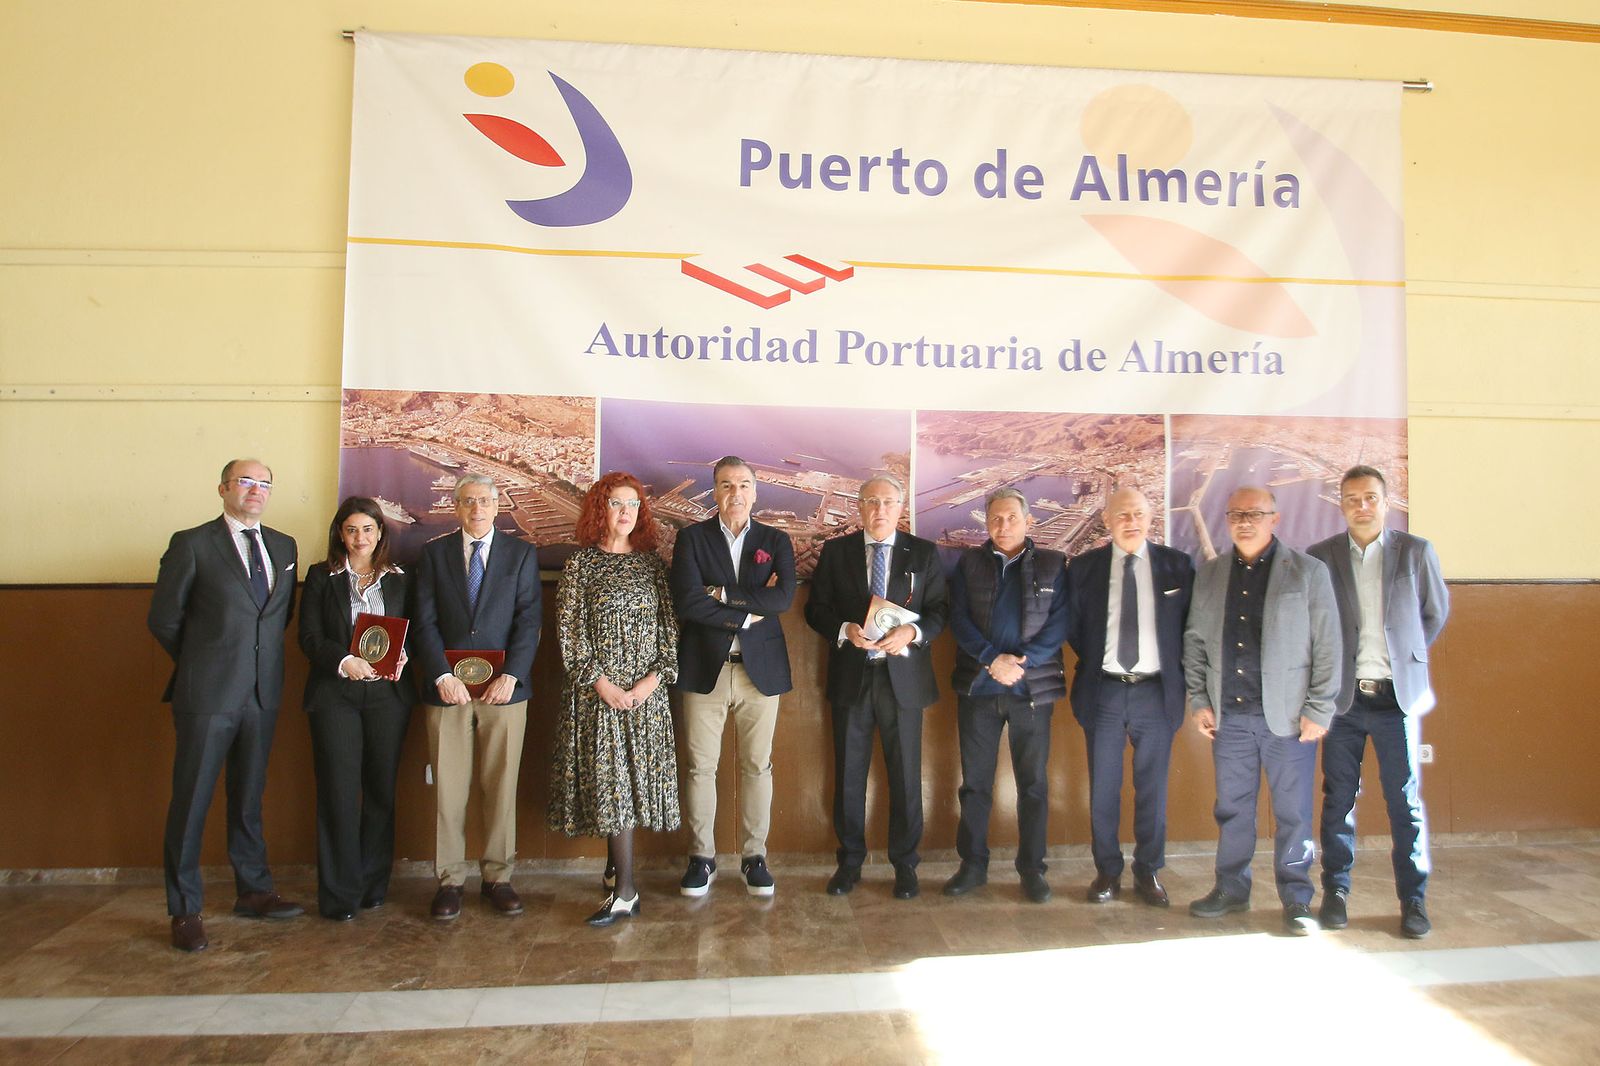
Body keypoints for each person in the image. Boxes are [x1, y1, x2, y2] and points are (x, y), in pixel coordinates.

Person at [148, 458, 303, 952]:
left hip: (262, 693)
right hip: (207, 694)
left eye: (264, 484)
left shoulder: (284, 546)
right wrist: (202, 663)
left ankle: (254, 891)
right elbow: (164, 619)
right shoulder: (192, 543)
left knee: (248, 797)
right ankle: (185, 908)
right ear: (222, 489)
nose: (255, 490)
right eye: (245, 482)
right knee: (192, 799)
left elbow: (276, 620)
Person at [1183, 485, 1339, 935]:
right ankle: (1231, 889)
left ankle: (1296, 899)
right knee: (1232, 809)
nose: (1244, 521)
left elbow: (1328, 645)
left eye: (1255, 513)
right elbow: (1194, 642)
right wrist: (1199, 700)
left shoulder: (1308, 573)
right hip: (1228, 718)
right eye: (1236, 514)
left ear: (1276, 518)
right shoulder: (1211, 574)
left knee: (1292, 813)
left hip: (1289, 720)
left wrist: (1319, 708)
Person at [1308, 466, 1449, 939]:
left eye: (1370, 497)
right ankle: (1336, 894)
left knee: (1404, 805)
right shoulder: (1321, 557)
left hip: (1397, 701)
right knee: (1337, 803)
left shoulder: (1415, 553)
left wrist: (1406, 657)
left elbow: (1434, 613)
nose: (1361, 506)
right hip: (1345, 702)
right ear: (1341, 504)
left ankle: (1413, 900)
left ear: (1386, 503)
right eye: (1352, 498)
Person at [805, 475, 949, 900]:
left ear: (900, 507)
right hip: (853, 676)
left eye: (888, 501)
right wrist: (843, 628)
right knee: (849, 774)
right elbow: (816, 609)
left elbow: (940, 611)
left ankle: (905, 866)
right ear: (860, 507)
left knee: (906, 775)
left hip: (903, 679)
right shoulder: (837, 552)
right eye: (871, 501)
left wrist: (913, 634)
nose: (880, 509)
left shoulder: (923, 553)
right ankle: (849, 863)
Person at [548, 472, 681, 926]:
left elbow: (669, 631)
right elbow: (569, 634)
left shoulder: (651, 565)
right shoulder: (581, 565)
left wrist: (649, 683)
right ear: (598, 509)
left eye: (633, 504)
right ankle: (625, 891)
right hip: (598, 697)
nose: (626, 511)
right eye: (616, 503)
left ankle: (615, 871)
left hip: (646, 697)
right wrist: (603, 685)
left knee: (630, 788)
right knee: (613, 788)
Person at [410, 473, 542, 921]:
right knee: (448, 787)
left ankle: (497, 877)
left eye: (485, 501)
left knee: (500, 785)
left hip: (504, 690)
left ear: (498, 504)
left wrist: (512, 675)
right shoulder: (433, 554)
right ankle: (449, 880)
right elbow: (423, 621)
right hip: (447, 691)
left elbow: (528, 620)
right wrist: (440, 675)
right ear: (456, 506)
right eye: (468, 502)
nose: (477, 509)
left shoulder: (521, 554)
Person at [670, 456, 796, 899]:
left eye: (743, 485)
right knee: (701, 767)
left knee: (757, 766)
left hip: (759, 674)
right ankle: (701, 858)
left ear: (756, 492)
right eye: (725, 485)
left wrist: (721, 594)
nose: (735, 494)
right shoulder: (691, 539)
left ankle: (753, 857)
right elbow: (688, 602)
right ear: (715, 492)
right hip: (705, 668)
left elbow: (782, 599)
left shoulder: (775, 539)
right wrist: (746, 615)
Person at [1065, 486, 1194, 908]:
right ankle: (1107, 871)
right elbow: (1074, 628)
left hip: (1156, 693)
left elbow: (1190, 631)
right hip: (1103, 691)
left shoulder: (1178, 566)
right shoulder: (1083, 568)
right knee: (1103, 787)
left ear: (1150, 517)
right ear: (1106, 519)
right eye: (1122, 514)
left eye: (1138, 513)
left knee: (1152, 789)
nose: (1131, 521)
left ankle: (1148, 871)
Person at [944, 487, 1070, 903]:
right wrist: (990, 659)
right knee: (975, 784)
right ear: (986, 521)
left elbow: (1058, 625)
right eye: (995, 518)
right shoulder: (969, 563)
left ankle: (1032, 870)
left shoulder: (1054, 565)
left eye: (1011, 517)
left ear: (1028, 520)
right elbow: (957, 618)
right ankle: (973, 865)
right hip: (979, 687)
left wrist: (1021, 662)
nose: (1003, 526)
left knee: (1032, 785)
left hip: (1031, 690)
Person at [297, 496, 414, 921]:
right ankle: (338, 893)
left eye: (368, 529)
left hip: (387, 698)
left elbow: (414, 632)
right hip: (335, 696)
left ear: (381, 532)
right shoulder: (320, 577)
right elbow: (308, 636)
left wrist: (403, 656)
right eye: (351, 530)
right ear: (339, 534)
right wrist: (344, 660)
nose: (360, 538)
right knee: (338, 793)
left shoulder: (401, 579)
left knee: (380, 791)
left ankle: (372, 885)